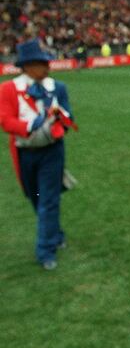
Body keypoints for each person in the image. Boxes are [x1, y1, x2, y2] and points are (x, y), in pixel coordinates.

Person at [0, 39, 76, 270]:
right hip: (25, 153)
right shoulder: (8, 89)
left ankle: (45, 251)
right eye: (42, 63)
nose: (47, 67)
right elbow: (5, 120)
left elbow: (68, 117)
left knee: (49, 200)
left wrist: (58, 121)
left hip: (52, 152)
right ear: (28, 66)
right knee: (36, 197)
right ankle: (55, 233)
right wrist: (33, 125)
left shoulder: (58, 88)